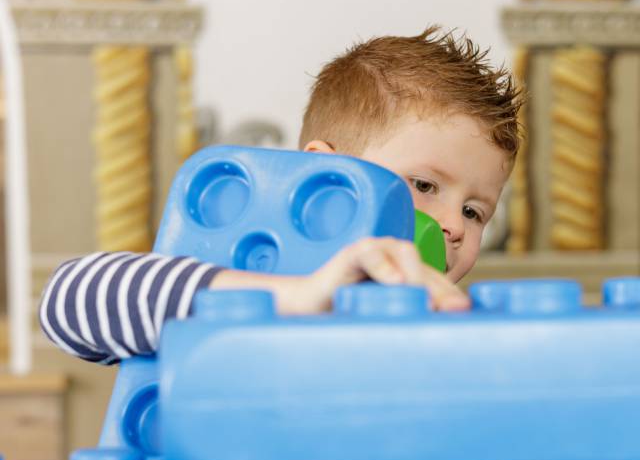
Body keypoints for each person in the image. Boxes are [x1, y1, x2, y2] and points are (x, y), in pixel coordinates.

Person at [39, 26, 522, 364]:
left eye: (475, 211)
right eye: (423, 186)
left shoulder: (439, 323)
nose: (454, 227)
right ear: (326, 178)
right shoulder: (246, 273)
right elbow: (65, 302)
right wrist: (298, 298)